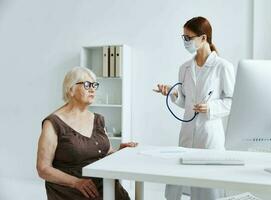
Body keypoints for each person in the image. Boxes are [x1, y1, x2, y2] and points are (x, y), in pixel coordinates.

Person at [155, 16, 235, 200]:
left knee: (207, 191)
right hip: (187, 134)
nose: (185, 42)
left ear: (204, 38)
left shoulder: (222, 67)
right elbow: (185, 101)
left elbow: (231, 101)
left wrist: (210, 107)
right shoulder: (184, 68)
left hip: (209, 136)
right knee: (179, 187)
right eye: (183, 37)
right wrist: (172, 94)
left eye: (188, 38)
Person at [36, 66, 137, 200]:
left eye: (94, 85)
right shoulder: (53, 123)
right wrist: (76, 182)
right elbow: (43, 169)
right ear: (70, 89)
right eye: (86, 84)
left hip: (105, 185)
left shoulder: (98, 119)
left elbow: (105, 153)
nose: (92, 89)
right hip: (74, 191)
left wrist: (119, 151)